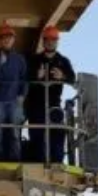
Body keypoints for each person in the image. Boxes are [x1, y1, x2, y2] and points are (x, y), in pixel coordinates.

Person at [25, 25, 76, 164]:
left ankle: (56, 163)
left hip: (54, 105)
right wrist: (37, 75)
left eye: (53, 39)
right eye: (47, 39)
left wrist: (62, 76)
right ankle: (38, 163)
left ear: (57, 42)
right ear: (43, 41)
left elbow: (72, 79)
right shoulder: (34, 60)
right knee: (37, 135)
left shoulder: (63, 61)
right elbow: (26, 78)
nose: (50, 42)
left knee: (58, 133)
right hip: (35, 105)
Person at [0, 23, 28, 162]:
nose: (6, 40)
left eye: (9, 37)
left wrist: (22, 96)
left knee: (15, 132)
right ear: (0, 40)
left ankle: (15, 159)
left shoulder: (20, 59)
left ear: (13, 39)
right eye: (3, 37)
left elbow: (24, 79)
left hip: (15, 101)